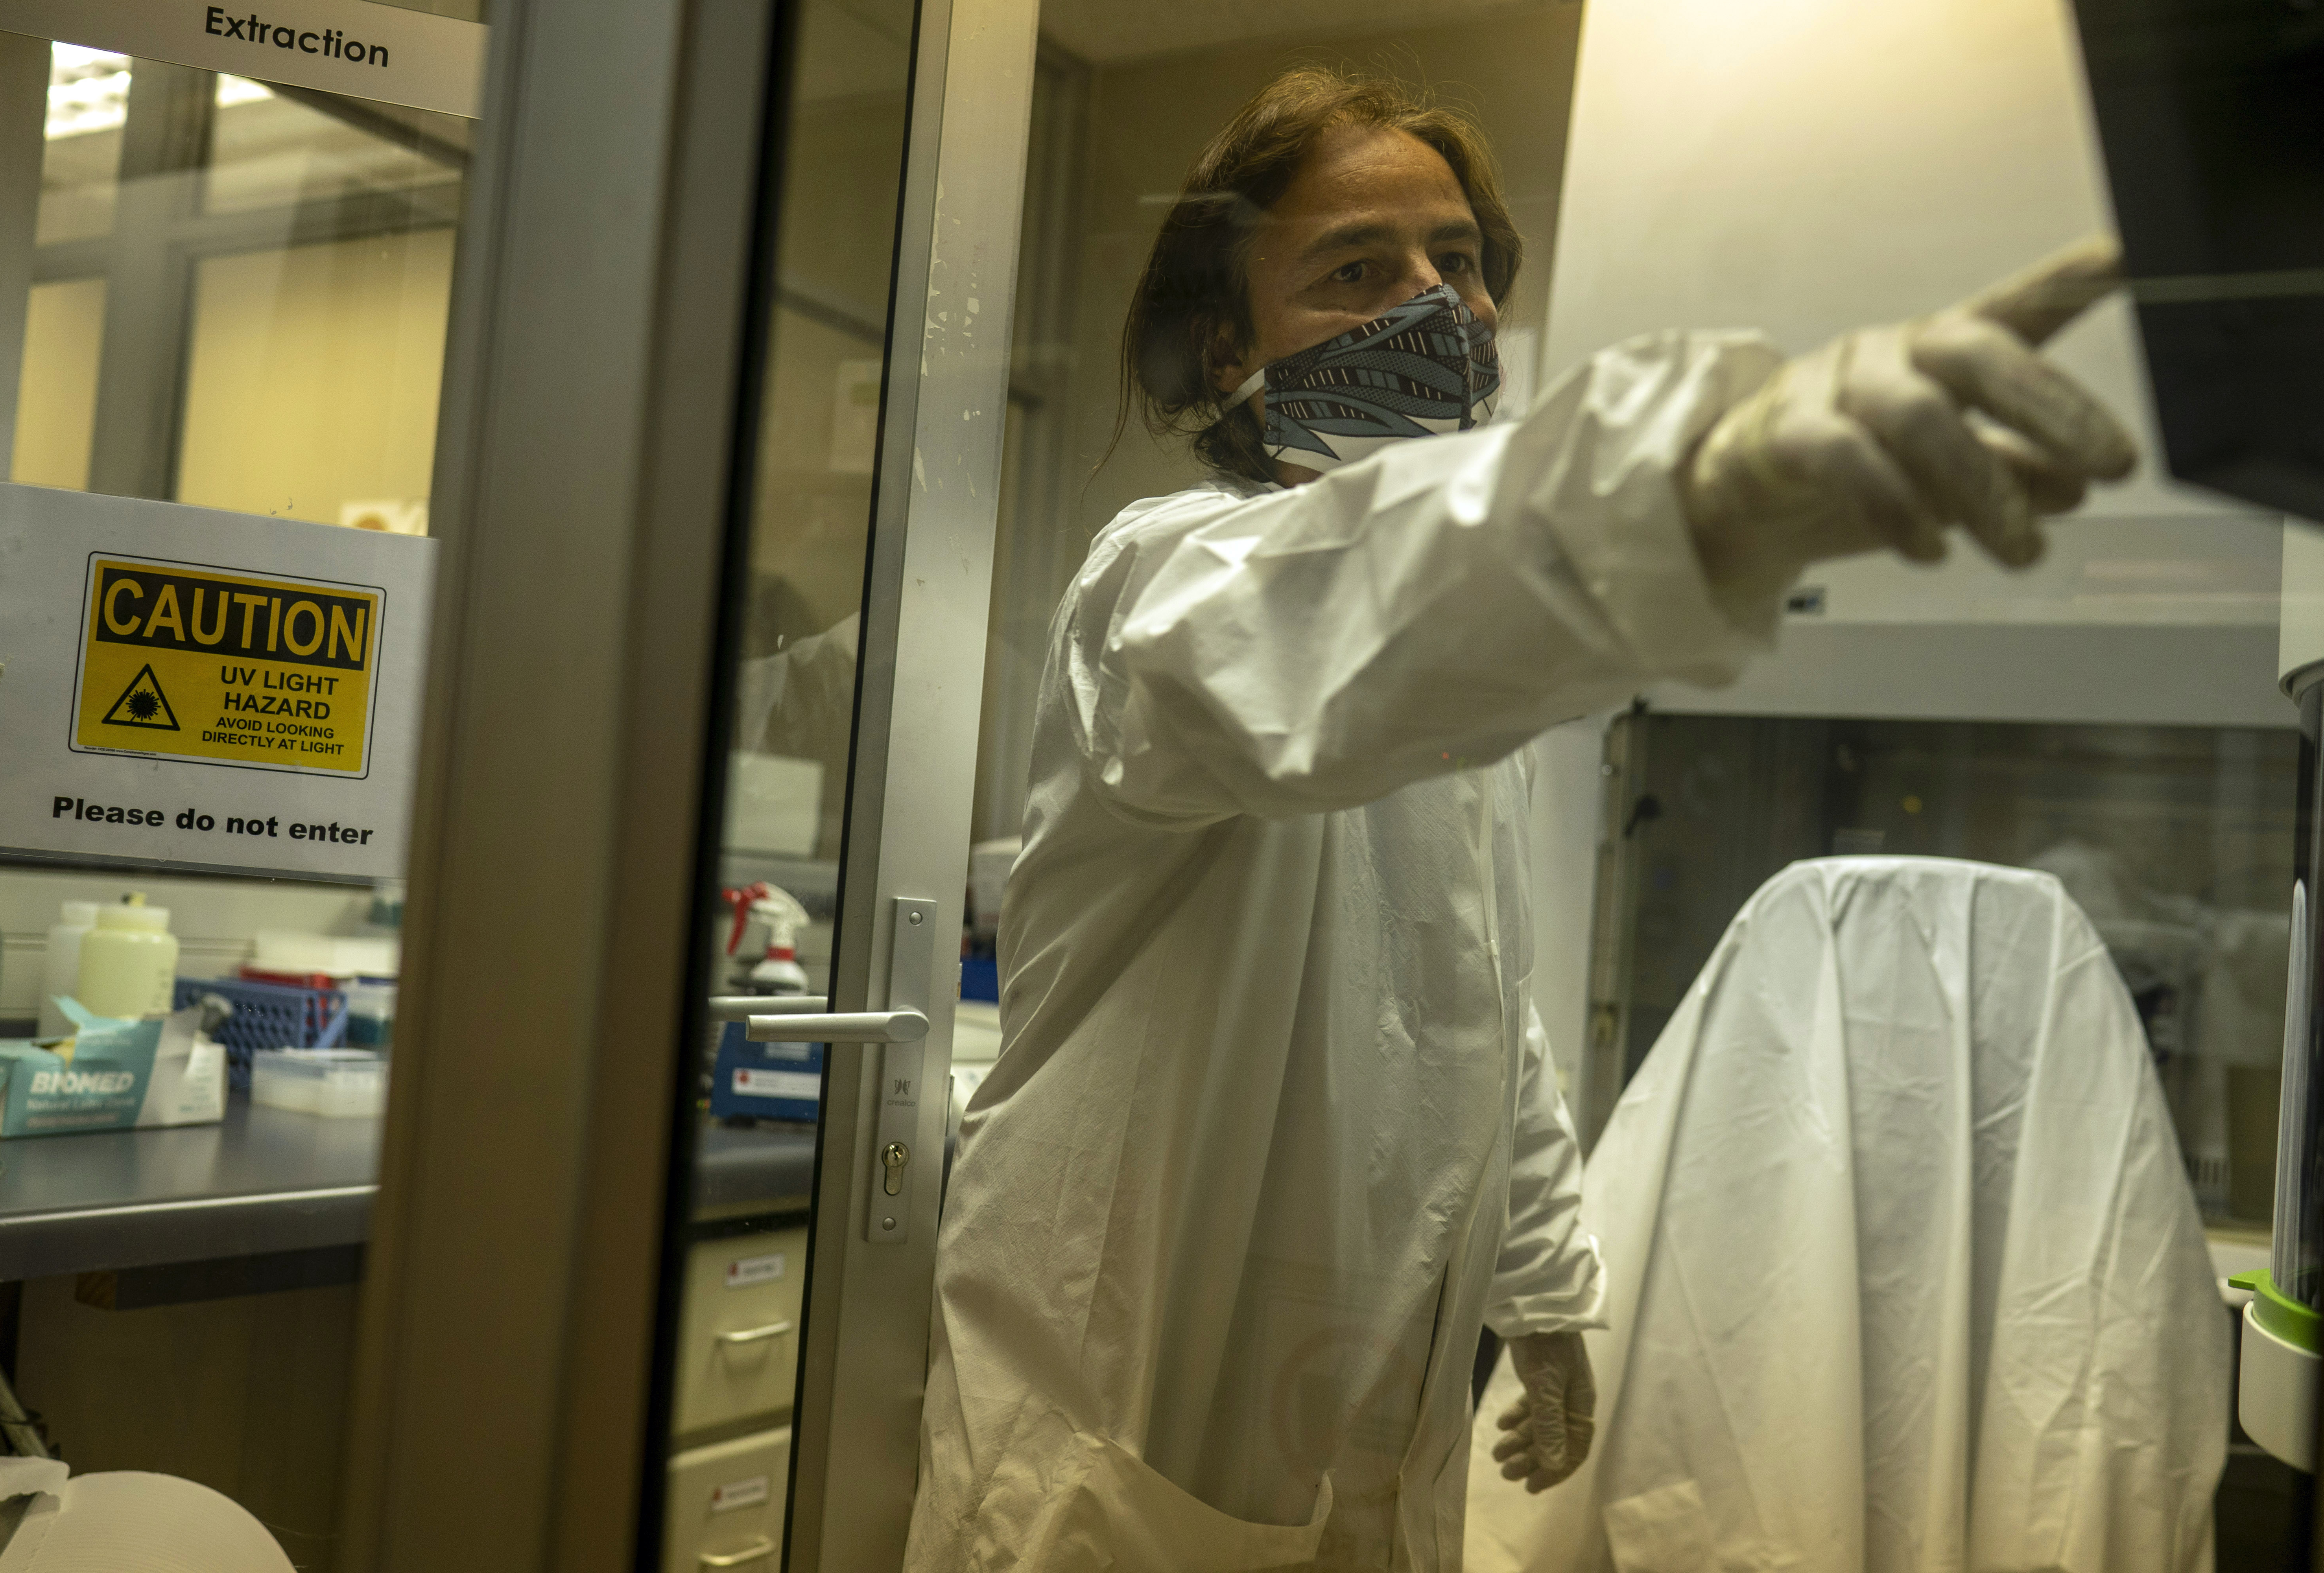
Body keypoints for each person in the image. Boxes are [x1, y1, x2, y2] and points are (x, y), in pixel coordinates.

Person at [904, 65, 2136, 1573]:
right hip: (1130, 1442)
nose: (1440, 307)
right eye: (1359, 270)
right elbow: (1316, 624)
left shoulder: (1453, 681)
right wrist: (1689, 490)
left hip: (1373, 1425)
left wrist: (1547, 1295)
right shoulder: (1164, 581)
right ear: (1230, 345)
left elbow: (1480, 1017)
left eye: (1460, 262)